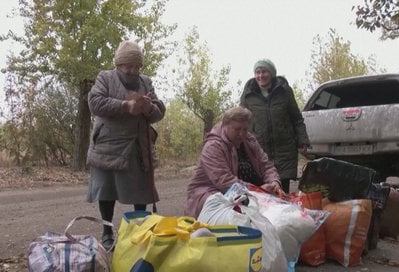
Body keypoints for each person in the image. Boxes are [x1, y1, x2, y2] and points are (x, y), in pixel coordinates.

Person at [87, 40, 166, 250]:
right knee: (107, 191)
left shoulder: (146, 82)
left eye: (136, 66)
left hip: (137, 146)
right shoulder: (105, 78)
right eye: (128, 66)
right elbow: (94, 102)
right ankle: (107, 232)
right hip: (107, 146)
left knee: (140, 191)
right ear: (119, 64)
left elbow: (159, 111)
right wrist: (125, 106)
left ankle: (138, 231)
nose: (133, 70)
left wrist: (149, 108)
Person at [184, 106, 282, 218]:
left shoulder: (249, 140)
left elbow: (266, 165)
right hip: (214, 195)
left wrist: (274, 182)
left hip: (249, 194)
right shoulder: (213, 147)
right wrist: (258, 191)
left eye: (245, 129)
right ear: (225, 125)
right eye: (237, 129)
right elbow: (225, 182)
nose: (242, 134)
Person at [240, 59, 310, 193]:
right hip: (259, 148)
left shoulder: (284, 91)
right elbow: (242, 119)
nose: (260, 76)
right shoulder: (248, 94)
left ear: (271, 73)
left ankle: (286, 213)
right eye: (257, 72)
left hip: (284, 148)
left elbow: (296, 118)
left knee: (282, 191)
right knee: (264, 191)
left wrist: (303, 140)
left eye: (264, 71)